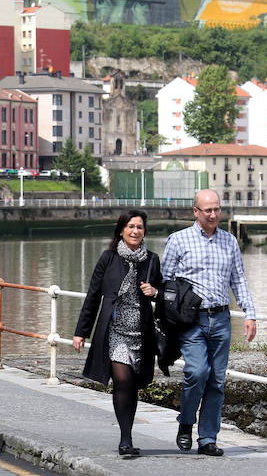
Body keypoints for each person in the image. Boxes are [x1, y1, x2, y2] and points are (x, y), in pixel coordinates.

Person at [163, 189, 257, 457]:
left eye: (217, 209)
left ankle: (207, 439)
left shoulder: (229, 241)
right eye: (208, 210)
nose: (214, 214)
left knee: (216, 381)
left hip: (221, 318)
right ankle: (186, 422)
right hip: (191, 320)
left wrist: (249, 313)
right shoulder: (178, 241)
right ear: (196, 212)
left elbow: (238, 280)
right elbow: (166, 281)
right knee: (197, 372)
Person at [73, 210, 163, 457]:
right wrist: (81, 332)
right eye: (131, 226)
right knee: (122, 380)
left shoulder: (152, 260)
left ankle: (128, 433)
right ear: (121, 230)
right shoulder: (108, 258)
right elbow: (93, 296)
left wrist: (153, 292)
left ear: (145, 231)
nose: (135, 231)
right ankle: (125, 439)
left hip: (141, 333)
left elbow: (164, 294)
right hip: (115, 331)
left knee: (132, 385)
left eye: (140, 227)